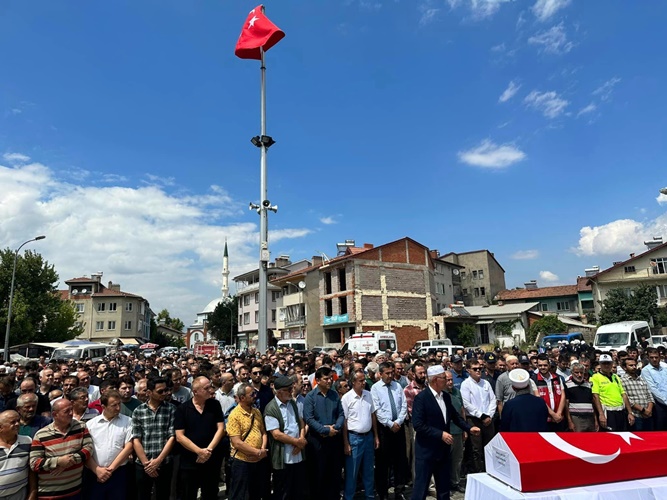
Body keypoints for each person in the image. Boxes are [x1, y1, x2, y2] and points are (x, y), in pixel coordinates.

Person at [411, 365, 480, 500]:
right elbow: (418, 425)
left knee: (443, 488)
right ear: (436, 380)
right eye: (444, 378)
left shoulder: (446, 397)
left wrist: (468, 428)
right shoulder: (422, 398)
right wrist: (440, 434)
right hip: (426, 451)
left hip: (442, 450)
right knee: (421, 488)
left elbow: (455, 416)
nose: (448, 380)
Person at [30, 399, 93, 499]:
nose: (71, 413)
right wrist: (58, 461)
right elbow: (34, 464)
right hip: (50, 494)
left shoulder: (80, 427)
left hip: (75, 492)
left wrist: (69, 461)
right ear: (55, 414)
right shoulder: (41, 435)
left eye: (71, 410)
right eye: (66, 411)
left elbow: (88, 449)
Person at [175, 376, 225, 500]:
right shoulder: (183, 409)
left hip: (211, 458)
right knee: (188, 493)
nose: (211, 390)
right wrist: (199, 451)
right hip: (190, 460)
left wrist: (208, 450)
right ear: (195, 391)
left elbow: (220, 429)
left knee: (210, 492)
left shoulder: (214, 405)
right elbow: (180, 436)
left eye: (211, 387)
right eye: (206, 388)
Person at [131, 377, 176, 500]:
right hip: (143, 464)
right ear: (149, 393)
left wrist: (158, 460)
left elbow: (172, 437)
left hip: (164, 462)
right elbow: (136, 439)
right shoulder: (138, 411)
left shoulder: (171, 409)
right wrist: (147, 464)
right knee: (143, 495)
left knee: (163, 495)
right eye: (160, 391)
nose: (164, 394)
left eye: (166, 390)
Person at [303, 366, 344, 500]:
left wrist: (335, 427)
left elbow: (341, 414)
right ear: (318, 380)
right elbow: (309, 418)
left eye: (330, 378)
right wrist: (325, 430)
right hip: (317, 442)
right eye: (326, 379)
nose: (329, 381)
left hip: (334, 440)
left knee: (334, 474)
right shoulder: (310, 397)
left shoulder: (334, 395)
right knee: (318, 474)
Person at [264, 376, 307, 500]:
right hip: (283, 456)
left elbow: (301, 422)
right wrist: (297, 442)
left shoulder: (292, 403)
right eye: (288, 389)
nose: (291, 391)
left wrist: (301, 438)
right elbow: (276, 434)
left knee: (297, 489)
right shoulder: (271, 409)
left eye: (291, 388)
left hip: (297, 454)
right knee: (283, 491)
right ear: (279, 392)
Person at [85, 389, 134, 499]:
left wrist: (109, 470)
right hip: (95, 473)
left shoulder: (128, 421)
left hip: (118, 473)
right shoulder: (91, 425)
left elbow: (128, 447)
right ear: (103, 406)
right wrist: (97, 470)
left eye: (119, 404)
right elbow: (86, 450)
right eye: (113, 405)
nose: (118, 408)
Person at [371, 362, 409, 500]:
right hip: (384, 429)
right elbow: (377, 410)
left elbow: (403, 405)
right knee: (383, 462)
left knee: (400, 460)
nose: (390, 375)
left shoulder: (397, 386)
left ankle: (399, 490)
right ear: (380, 374)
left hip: (398, 428)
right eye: (387, 373)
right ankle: (383, 493)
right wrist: (389, 423)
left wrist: (398, 421)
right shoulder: (375, 388)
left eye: (392, 372)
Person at [342, 369, 378, 500]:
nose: (363, 383)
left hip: (368, 437)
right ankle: (349, 497)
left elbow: (373, 415)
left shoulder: (368, 395)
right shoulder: (347, 398)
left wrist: (376, 436)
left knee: (369, 471)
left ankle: (370, 496)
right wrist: (346, 443)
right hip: (354, 438)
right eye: (360, 381)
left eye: (364, 380)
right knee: (352, 472)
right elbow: (344, 422)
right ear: (353, 382)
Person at [227, 383, 268, 500]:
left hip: (258, 460)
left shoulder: (257, 412)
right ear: (242, 398)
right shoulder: (234, 415)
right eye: (252, 394)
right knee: (240, 495)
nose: (255, 396)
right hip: (242, 462)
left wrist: (262, 449)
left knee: (255, 493)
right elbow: (237, 442)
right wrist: (256, 452)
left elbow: (263, 432)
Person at [460, 359, 495, 473]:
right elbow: (466, 404)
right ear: (469, 370)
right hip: (474, 420)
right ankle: (478, 471)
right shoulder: (466, 385)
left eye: (480, 368)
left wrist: (489, 415)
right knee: (476, 449)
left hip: (488, 419)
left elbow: (493, 400)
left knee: (489, 446)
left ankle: (490, 469)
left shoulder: (486, 383)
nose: (478, 371)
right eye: (475, 369)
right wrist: (481, 415)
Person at [591, 354, 634, 432]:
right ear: (600, 364)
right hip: (608, 411)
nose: (606, 365)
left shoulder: (616, 377)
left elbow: (623, 394)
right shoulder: (595, 377)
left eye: (608, 363)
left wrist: (630, 412)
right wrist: (601, 414)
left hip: (620, 410)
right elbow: (595, 396)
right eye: (604, 363)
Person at [0, 410, 36, 500]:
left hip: (19, 495)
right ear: (0, 427)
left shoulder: (27, 441)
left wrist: (33, 493)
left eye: (18, 421)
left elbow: (31, 470)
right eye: (12, 422)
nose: (17, 424)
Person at [443, 370, 466, 494]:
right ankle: (445, 484)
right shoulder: (441, 394)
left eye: (451, 379)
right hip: (447, 432)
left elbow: (462, 410)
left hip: (458, 430)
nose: (450, 382)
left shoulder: (457, 392)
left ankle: (455, 482)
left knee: (457, 459)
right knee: (446, 459)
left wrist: (465, 429)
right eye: (447, 380)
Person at [534, 354, 567, 431]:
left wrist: (558, 413)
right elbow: (539, 399)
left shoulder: (557, 378)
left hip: (559, 419)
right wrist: (553, 414)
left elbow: (563, 396)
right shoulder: (533, 380)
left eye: (545, 365)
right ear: (537, 366)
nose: (543, 367)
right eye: (540, 365)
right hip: (544, 420)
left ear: (549, 365)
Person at [621, 357, 654, 431]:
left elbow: (649, 395)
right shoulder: (622, 380)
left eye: (635, 365)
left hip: (648, 415)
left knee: (650, 439)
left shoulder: (641, 379)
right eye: (631, 365)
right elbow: (626, 398)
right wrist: (642, 410)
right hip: (635, 415)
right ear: (624, 368)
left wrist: (649, 410)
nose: (634, 367)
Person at [564, 362, 597, 432]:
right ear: (572, 373)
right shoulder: (567, 385)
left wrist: (596, 420)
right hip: (576, 418)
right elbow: (566, 405)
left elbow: (592, 403)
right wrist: (570, 421)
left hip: (590, 417)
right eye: (576, 372)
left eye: (581, 373)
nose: (579, 375)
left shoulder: (589, 385)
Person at [640, 347, 667, 430]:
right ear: (648, 358)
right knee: (660, 428)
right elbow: (653, 389)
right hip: (658, 404)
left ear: (660, 357)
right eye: (651, 357)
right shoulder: (646, 371)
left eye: (656, 357)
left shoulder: (665, 369)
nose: (654, 359)